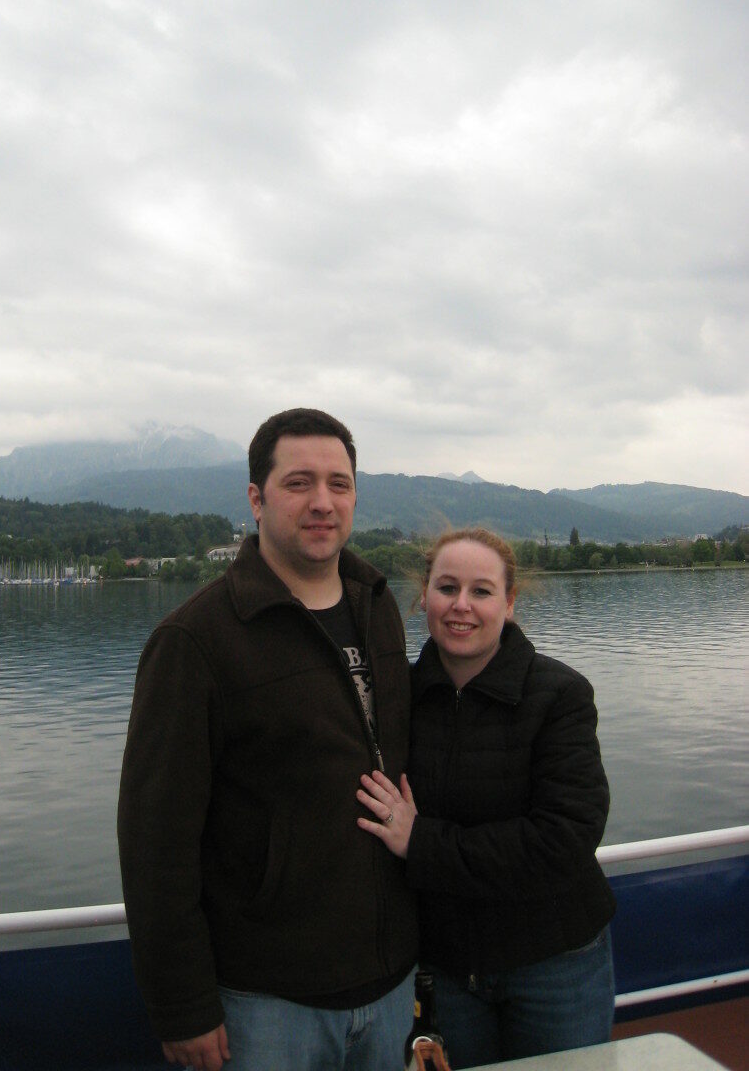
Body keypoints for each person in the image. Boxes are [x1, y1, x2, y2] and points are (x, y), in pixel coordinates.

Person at [118, 408, 417, 1071]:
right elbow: (155, 845)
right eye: (298, 483)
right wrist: (183, 1007)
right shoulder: (194, 641)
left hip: (391, 980)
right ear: (256, 499)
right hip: (266, 1000)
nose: (322, 502)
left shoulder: (378, 604)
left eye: (338, 484)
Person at [357, 527, 616, 1069]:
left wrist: (421, 842)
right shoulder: (396, 702)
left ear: (509, 602)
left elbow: (565, 837)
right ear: (423, 595)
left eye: (481, 591)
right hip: (448, 972)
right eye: (447, 588)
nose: (461, 607)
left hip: (554, 964)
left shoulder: (560, 696)